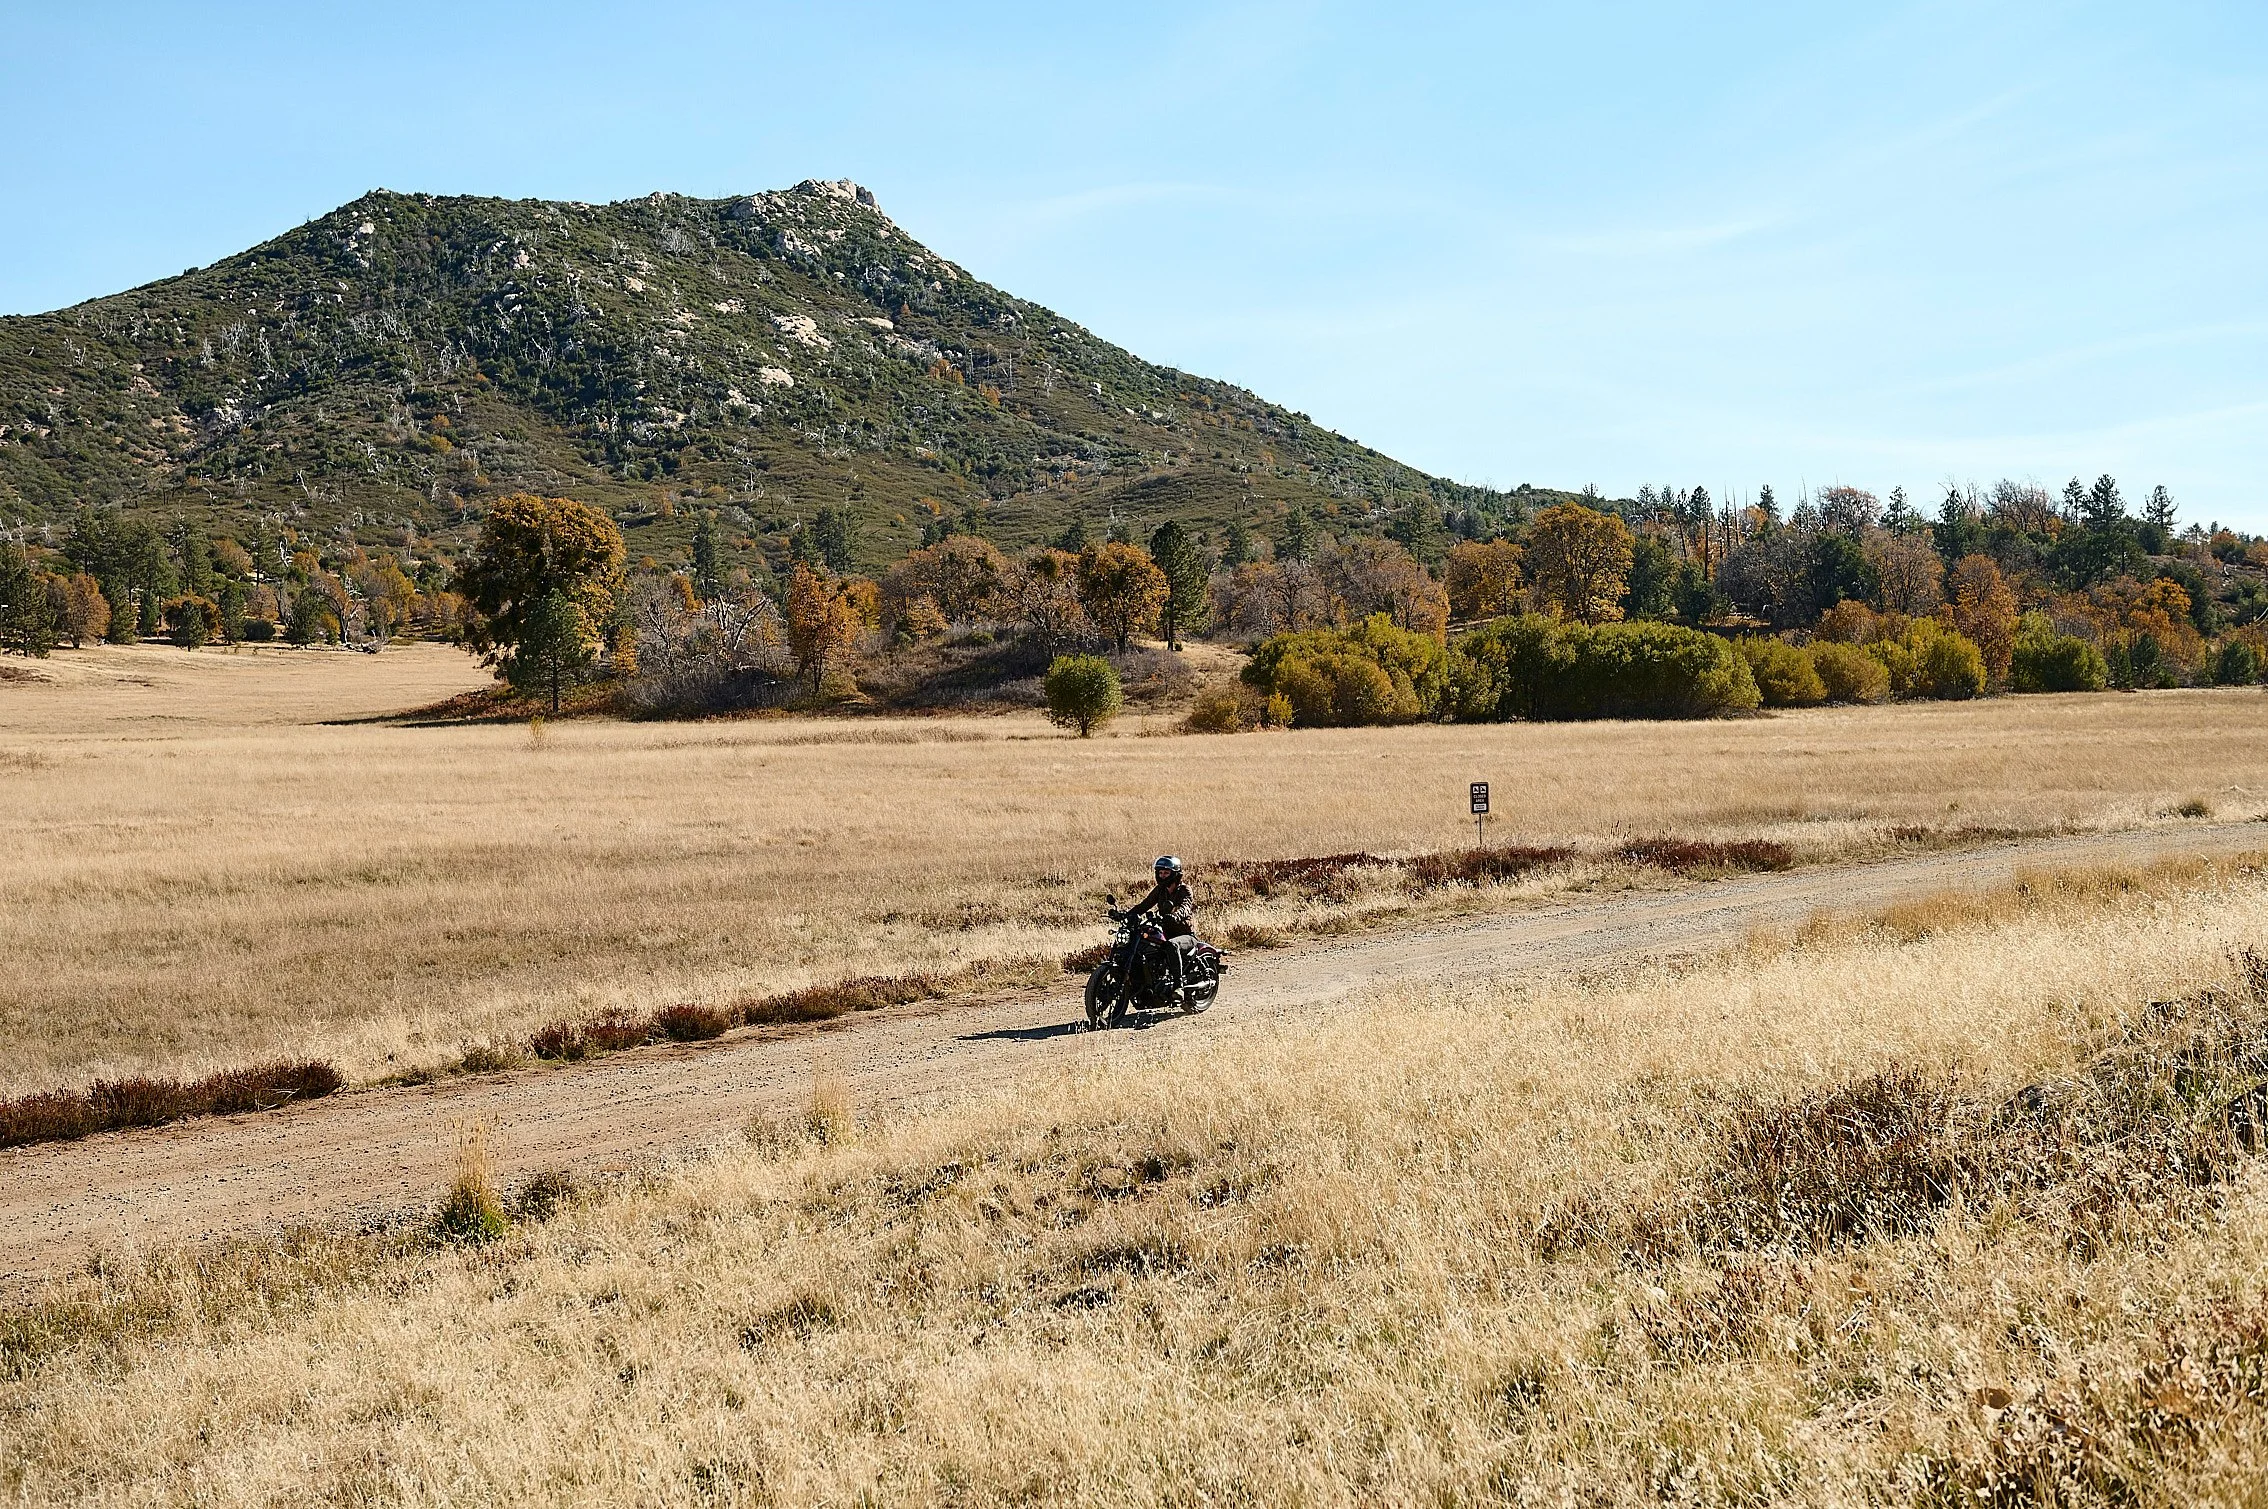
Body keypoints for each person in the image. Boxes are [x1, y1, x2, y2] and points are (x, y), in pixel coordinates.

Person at [1114, 855, 1195, 1008]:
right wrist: (1126, 914)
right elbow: (1144, 905)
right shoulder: (1160, 890)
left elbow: (1185, 907)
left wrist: (1175, 916)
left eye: (1166, 873)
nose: (1162, 876)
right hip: (1166, 933)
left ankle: (1179, 987)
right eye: (1160, 873)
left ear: (1175, 873)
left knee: (1171, 946)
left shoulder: (1184, 890)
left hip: (1185, 936)